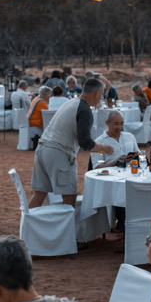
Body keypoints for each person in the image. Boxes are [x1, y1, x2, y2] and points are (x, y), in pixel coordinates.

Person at [30, 77, 105, 209]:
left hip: (42, 149)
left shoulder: (72, 102)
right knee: (69, 197)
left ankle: (26, 228)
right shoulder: (84, 110)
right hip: (58, 153)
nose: (101, 98)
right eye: (101, 94)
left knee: (39, 194)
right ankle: (63, 230)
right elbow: (85, 142)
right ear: (96, 93)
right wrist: (104, 148)